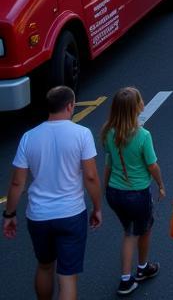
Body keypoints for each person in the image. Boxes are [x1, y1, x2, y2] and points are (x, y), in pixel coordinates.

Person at [4, 86, 103, 300]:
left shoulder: (29, 137)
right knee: (67, 277)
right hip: (71, 214)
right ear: (70, 106)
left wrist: (9, 215)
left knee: (45, 266)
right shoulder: (82, 134)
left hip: (38, 216)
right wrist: (97, 207)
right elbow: (91, 177)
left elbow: (16, 183)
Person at [100, 87, 164, 295]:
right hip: (136, 193)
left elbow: (109, 163)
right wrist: (161, 185)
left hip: (114, 193)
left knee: (131, 229)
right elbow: (152, 165)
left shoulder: (109, 133)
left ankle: (140, 269)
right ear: (137, 107)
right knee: (136, 232)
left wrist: (104, 189)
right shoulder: (143, 135)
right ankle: (131, 276)